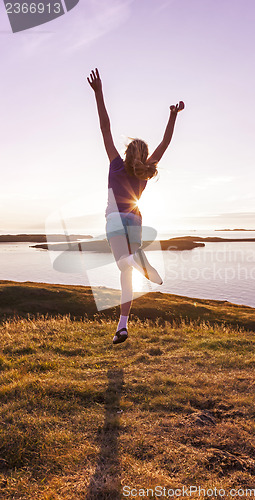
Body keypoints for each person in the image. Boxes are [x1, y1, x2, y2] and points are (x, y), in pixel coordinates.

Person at [87, 68, 184, 345]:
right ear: (143, 156)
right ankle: (123, 326)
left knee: (122, 265)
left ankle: (136, 261)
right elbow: (165, 143)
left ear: (128, 152)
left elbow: (104, 126)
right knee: (125, 272)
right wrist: (173, 116)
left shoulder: (116, 164)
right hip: (136, 220)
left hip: (116, 219)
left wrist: (98, 93)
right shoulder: (145, 171)